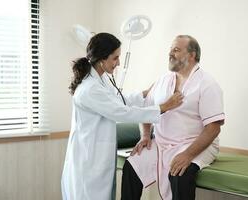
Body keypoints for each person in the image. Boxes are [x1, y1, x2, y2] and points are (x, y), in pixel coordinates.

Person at [61, 32, 184, 200]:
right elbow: (121, 112)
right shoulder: (90, 89)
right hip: (88, 163)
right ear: (102, 58)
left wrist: (144, 94)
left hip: (98, 159)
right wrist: (164, 107)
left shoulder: (101, 80)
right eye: (115, 58)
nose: (118, 63)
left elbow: (119, 100)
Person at [121, 35, 225, 200]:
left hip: (193, 143)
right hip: (162, 142)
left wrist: (188, 155)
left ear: (192, 55)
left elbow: (213, 128)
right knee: (132, 166)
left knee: (180, 174)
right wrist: (146, 135)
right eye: (170, 50)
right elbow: (147, 108)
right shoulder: (163, 80)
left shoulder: (207, 83)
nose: (170, 53)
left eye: (176, 50)